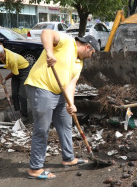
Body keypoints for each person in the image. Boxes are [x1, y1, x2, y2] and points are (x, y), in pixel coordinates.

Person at [24, 30, 99, 180]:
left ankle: (68, 158)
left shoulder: (79, 63)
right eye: (93, 53)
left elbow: (71, 84)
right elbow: (46, 33)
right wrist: (49, 53)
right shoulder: (67, 42)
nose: (92, 57)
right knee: (42, 129)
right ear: (88, 47)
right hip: (41, 87)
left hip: (59, 93)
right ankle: (35, 168)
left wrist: (71, 104)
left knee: (66, 123)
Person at [0, 44, 30, 122]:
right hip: (16, 70)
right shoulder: (1, 50)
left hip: (24, 70)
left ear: (3, 52)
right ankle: (17, 113)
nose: (0, 58)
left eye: (1, 57)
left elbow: (15, 73)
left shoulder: (12, 59)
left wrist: (5, 79)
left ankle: (25, 116)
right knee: (14, 94)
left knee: (21, 94)